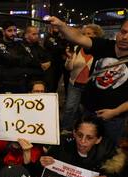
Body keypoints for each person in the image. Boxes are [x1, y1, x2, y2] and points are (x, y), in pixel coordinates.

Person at [47, 16, 128, 145]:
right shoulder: (104, 45)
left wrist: (115, 112)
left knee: (108, 152)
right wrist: (61, 25)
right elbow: (77, 37)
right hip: (89, 111)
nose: (125, 37)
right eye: (123, 32)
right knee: (83, 146)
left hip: (113, 118)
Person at [40, 115, 127, 177]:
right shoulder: (62, 144)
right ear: (74, 133)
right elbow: (42, 172)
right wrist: (42, 162)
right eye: (79, 135)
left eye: (89, 138)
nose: (82, 141)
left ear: (98, 139)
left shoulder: (109, 152)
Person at [61, 24, 104, 132]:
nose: (85, 36)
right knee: (70, 108)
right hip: (74, 84)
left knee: (86, 110)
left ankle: (83, 130)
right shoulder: (77, 48)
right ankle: (65, 129)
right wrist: (69, 58)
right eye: (84, 34)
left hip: (91, 87)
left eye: (89, 34)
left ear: (96, 35)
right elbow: (68, 68)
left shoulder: (101, 50)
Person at [0, 21, 29, 93]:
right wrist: (20, 58)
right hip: (5, 83)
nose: (13, 33)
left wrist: (17, 58)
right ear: (4, 32)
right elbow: (9, 58)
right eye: (10, 31)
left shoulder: (19, 44)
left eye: (15, 30)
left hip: (20, 81)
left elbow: (28, 59)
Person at [43, 25, 69, 93]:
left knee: (56, 83)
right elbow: (58, 47)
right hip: (51, 64)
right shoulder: (49, 38)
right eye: (55, 28)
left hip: (59, 64)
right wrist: (63, 48)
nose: (57, 29)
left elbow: (64, 46)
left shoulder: (59, 38)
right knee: (51, 85)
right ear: (51, 29)